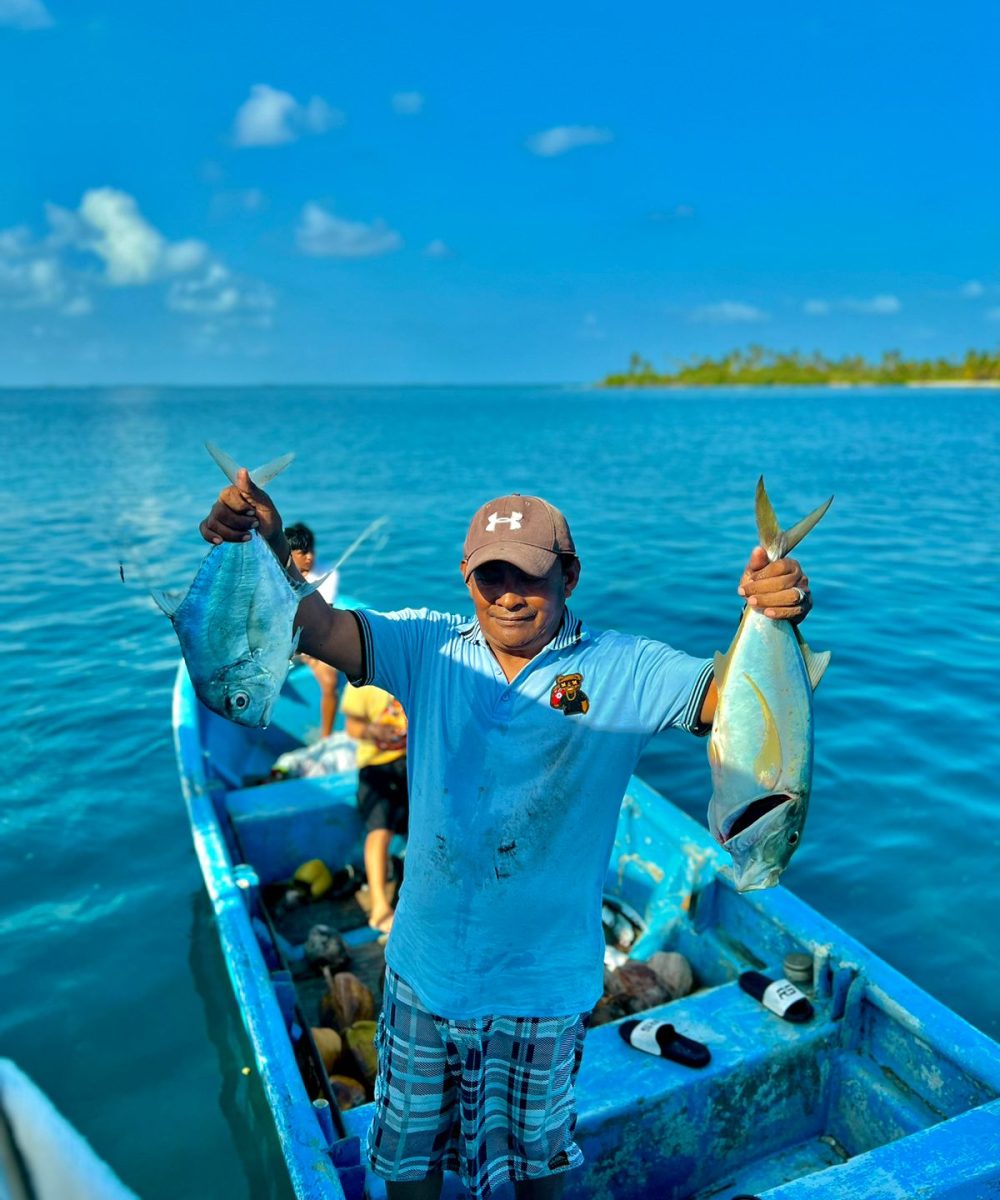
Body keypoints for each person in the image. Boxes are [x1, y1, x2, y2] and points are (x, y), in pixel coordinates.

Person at [201, 480, 813, 1200]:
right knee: (406, 1164)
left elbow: (729, 704)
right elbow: (317, 628)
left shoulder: (625, 669)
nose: (509, 593)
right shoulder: (427, 646)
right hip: (423, 975)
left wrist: (769, 610)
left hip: (542, 989)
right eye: (491, 574)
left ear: (570, 575)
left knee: (536, 1169)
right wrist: (267, 548)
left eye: (529, 573)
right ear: (466, 576)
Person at [341, 683, 409, 935]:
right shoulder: (362, 679)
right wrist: (372, 731)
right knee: (379, 830)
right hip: (377, 765)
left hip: (415, 758)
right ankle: (379, 906)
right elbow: (352, 726)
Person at [284, 522, 340, 739]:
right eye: (302, 552)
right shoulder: (274, 575)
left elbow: (324, 619)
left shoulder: (327, 575)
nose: (309, 557)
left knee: (330, 682)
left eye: (311, 551)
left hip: (311, 642)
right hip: (285, 641)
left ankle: (325, 737)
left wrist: (308, 649)